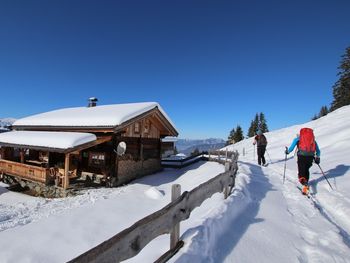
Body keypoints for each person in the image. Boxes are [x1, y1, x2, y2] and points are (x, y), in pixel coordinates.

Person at [285, 128, 320, 194]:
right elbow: (318, 151)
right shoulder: (313, 140)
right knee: (306, 170)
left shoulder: (297, 139)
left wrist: (287, 152)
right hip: (310, 157)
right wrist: (317, 158)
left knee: (301, 171)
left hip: (301, 156)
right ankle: (306, 183)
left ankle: (305, 185)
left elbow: (291, 148)